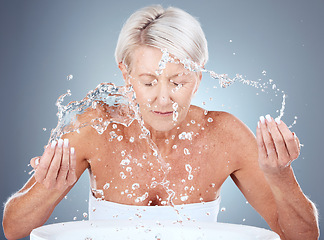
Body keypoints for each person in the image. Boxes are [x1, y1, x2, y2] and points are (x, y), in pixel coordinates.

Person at [2, 5, 319, 240]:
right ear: (126, 74)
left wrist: (281, 176)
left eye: (178, 81)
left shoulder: (226, 135)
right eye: (149, 82)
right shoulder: (95, 128)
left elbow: (303, 236)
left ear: (198, 75)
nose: (163, 98)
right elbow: (13, 229)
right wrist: (46, 189)